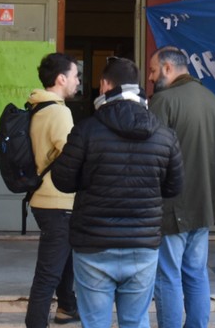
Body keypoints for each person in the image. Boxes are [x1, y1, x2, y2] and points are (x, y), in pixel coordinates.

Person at [50, 57, 183, 328]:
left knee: (95, 322)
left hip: (93, 245)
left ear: (104, 85)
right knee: (135, 320)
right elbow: (174, 187)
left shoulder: (86, 130)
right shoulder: (164, 135)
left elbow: (62, 180)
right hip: (143, 244)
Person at [147, 47, 215, 328]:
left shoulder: (163, 100)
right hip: (204, 205)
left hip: (172, 206)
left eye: (153, 70)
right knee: (196, 272)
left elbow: (152, 155)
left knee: (167, 275)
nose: (150, 77)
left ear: (168, 68)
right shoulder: (213, 100)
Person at [24, 53, 81, 327]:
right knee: (48, 272)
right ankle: (35, 322)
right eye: (75, 76)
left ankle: (67, 307)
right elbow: (71, 156)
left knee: (64, 258)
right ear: (61, 79)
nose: (78, 81)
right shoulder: (59, 112)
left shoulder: (38, 106)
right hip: (56, 200)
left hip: (44, 197)